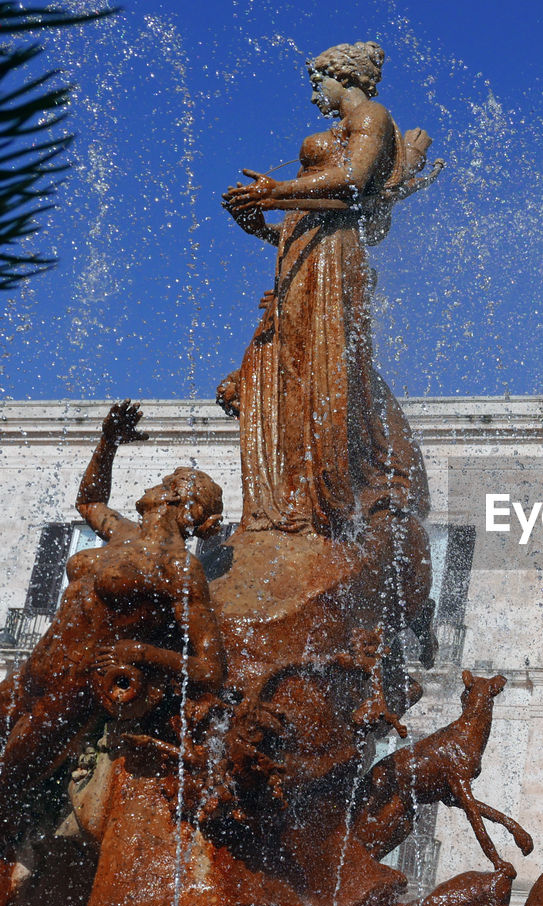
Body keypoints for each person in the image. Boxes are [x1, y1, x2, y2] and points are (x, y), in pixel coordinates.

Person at [220, 40, 433, 538]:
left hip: (334, 258)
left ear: (345, 76)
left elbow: (356, 179)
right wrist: (259, 223)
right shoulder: (338, 129)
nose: (316, 90)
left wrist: (273, 191)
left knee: (325, 365)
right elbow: (303, 219)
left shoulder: (373, 116)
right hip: (303, 254)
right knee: (296, 369)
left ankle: (329, 495)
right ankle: (298, 487)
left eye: (320, 80)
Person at [0, 401, 226, 837]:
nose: (152, 485)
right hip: (32, 673)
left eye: (163, 482)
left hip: (70, 694)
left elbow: (209, 668)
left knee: (6, 788)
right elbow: (88, 501)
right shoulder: (123, 535)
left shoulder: (179, 567)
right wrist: (108, 443)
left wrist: (139, 652)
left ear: (181, 501)